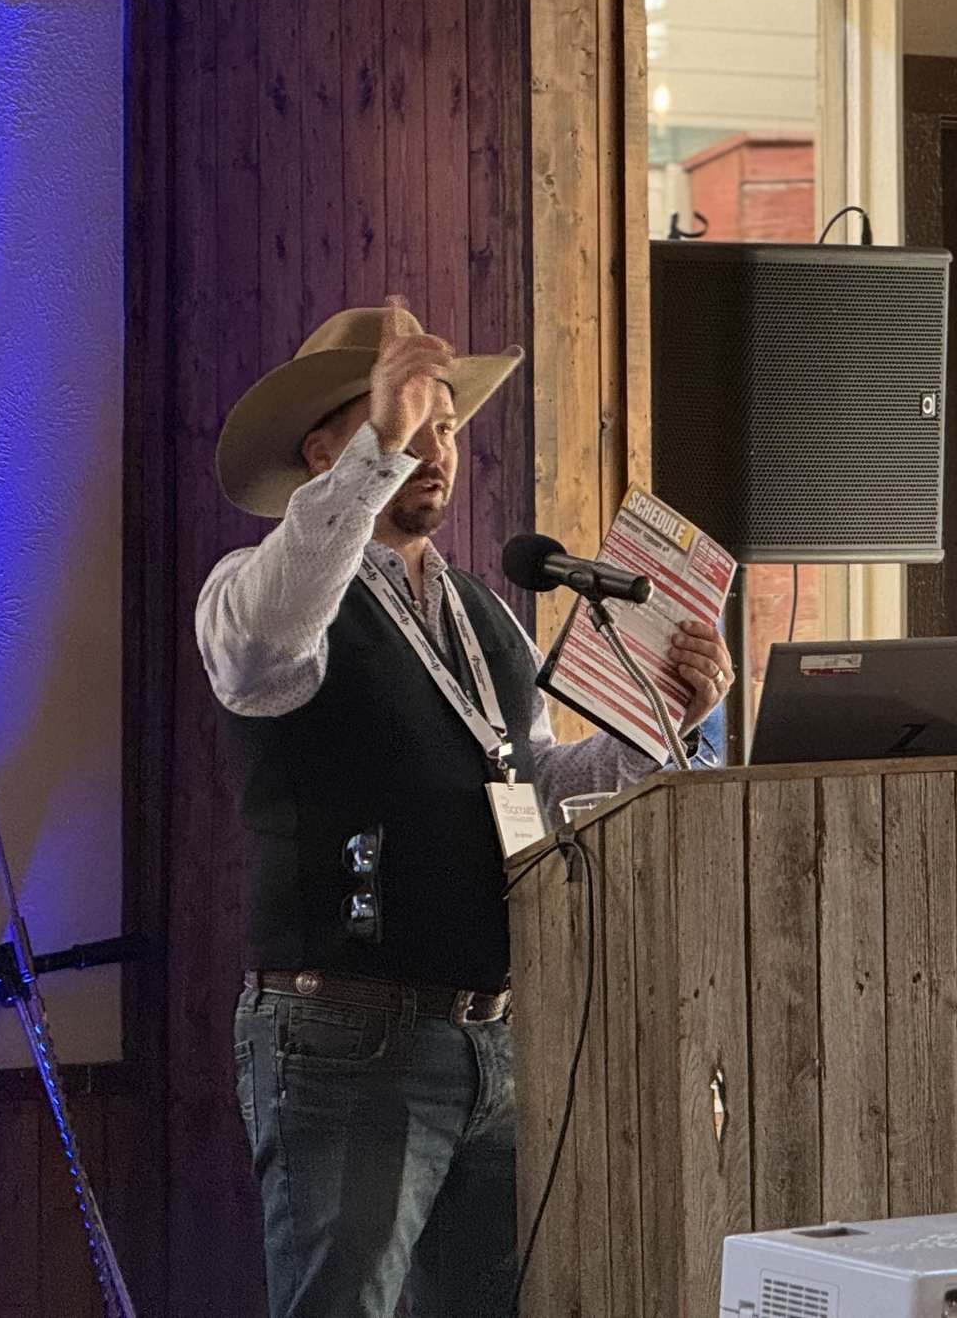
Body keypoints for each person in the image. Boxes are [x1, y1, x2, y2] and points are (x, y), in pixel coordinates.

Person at [197, 298, 731, 1318]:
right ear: (326, 450)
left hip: (491, 1037)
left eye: (445, 423)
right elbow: (271, 631)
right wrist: (380, 447)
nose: (435, 446)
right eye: (403, 420)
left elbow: (534, 786)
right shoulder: (250, 592)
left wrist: (677, 723)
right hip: (346, 1034)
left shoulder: (483, 613)